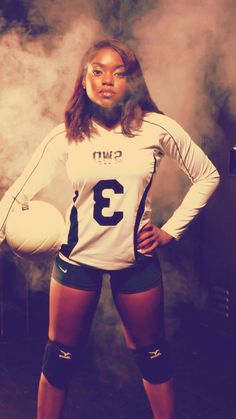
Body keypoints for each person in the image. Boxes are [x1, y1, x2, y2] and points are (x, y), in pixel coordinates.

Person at [0, 39, 220, 419]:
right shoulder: (65, 134)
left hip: (135, 260)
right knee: (59, 359)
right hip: (77, 261)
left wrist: (171, 230)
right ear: (83, 80)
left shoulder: (157, 128)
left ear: (131, 82)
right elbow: (17, 194)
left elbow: (207, 175)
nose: (107, 80)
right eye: (97, 71)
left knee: (152, 355)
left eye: (119, 73)